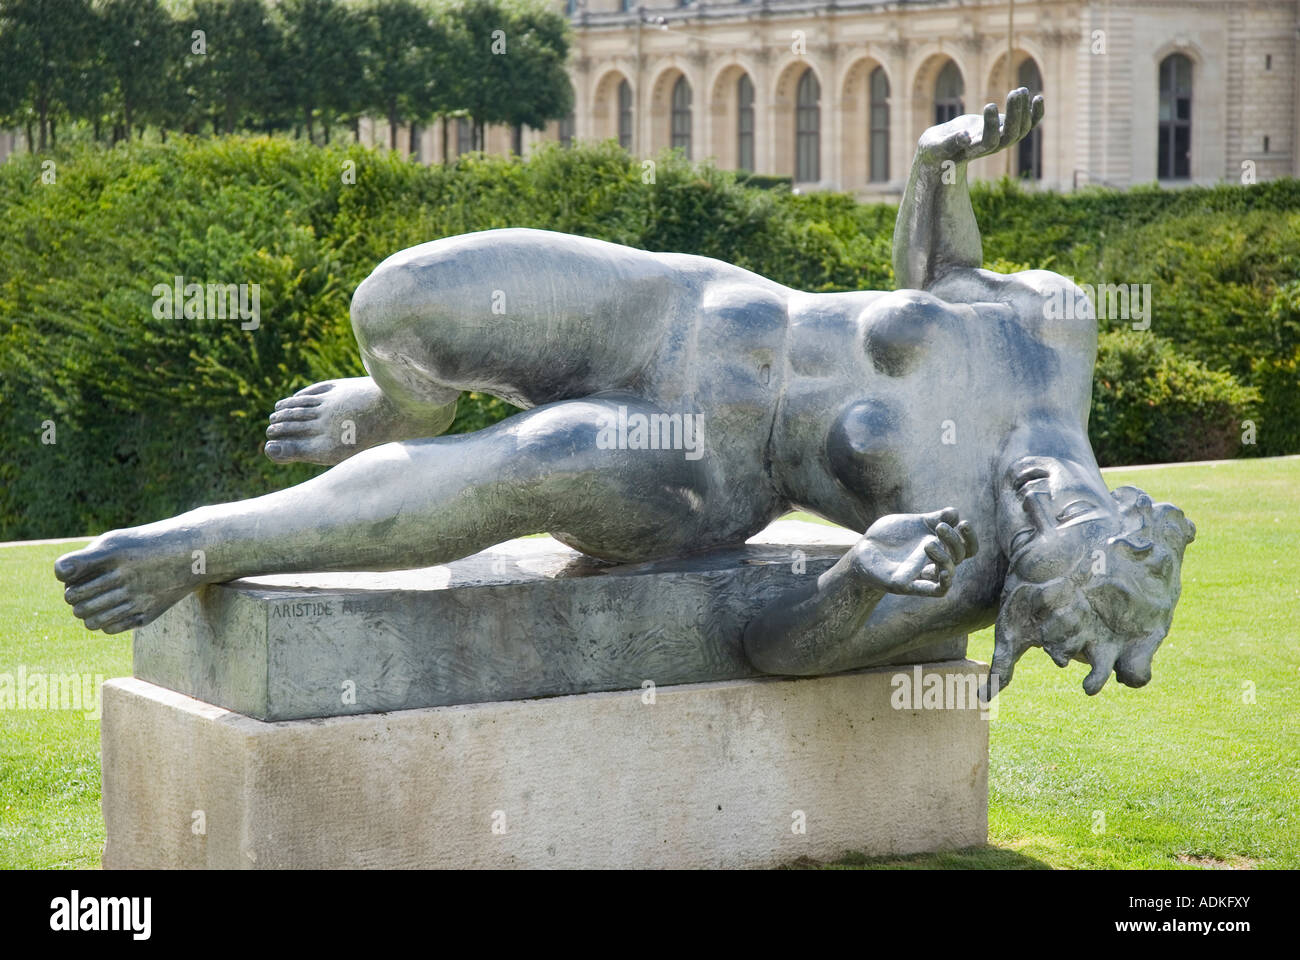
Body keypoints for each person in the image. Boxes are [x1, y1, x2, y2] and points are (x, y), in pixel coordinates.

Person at [55, 89, 1194, 698]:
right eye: (1078, 522)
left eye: (1041, 552)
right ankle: (399, 403)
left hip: (703, 464)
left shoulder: (957, 573)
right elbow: (938, 274)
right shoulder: (1054, 324)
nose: (1041, 511)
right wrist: (937, 166)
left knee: (525, 468)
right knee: (403, 300)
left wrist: (853, 578)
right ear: (1124, 512)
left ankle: (198, 543)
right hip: (693, 307)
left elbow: (777, 650)